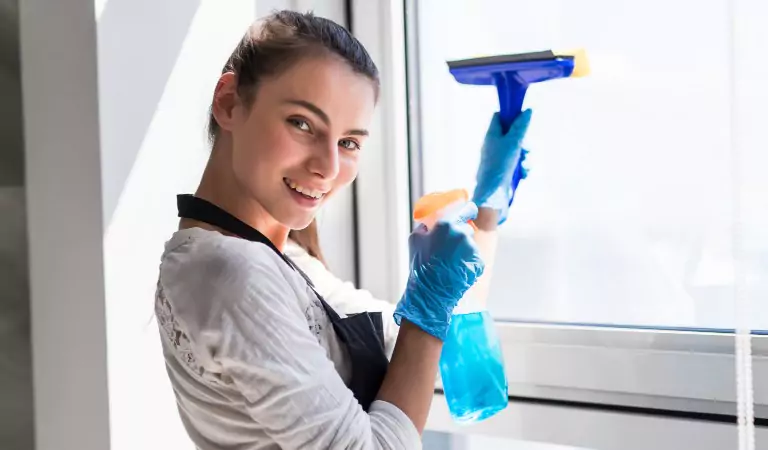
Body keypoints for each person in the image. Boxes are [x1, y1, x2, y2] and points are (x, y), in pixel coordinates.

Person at [155, 10, 531, 450]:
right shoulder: (231, 273)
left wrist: (487, 209)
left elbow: (428, 343)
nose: (328, 168)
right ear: (229, 103)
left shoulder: (282, 259)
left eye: (349, 142)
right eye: (302, 123)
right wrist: (429, 296)